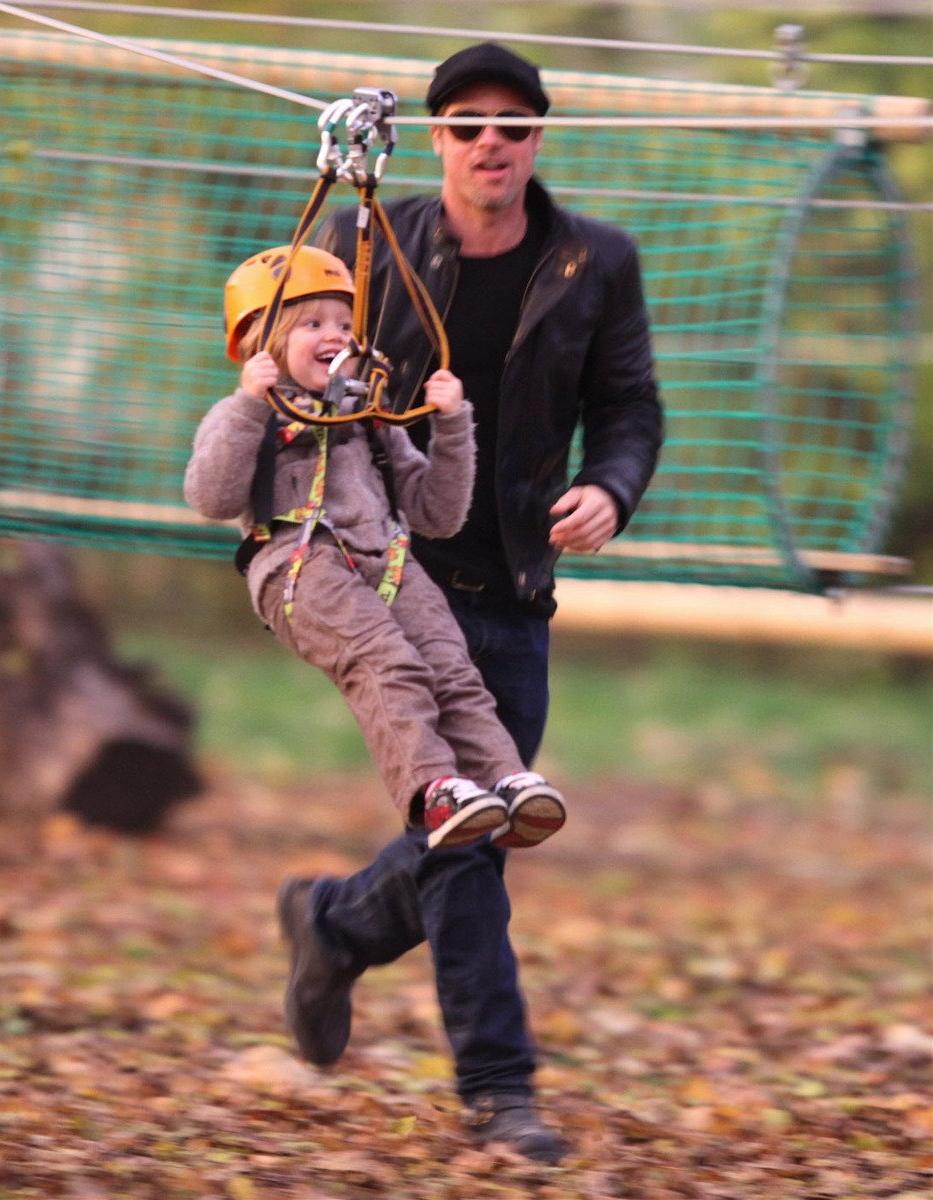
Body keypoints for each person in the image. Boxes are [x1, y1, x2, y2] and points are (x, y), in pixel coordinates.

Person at [281, 41, 664, 1164]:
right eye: (467, 124)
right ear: (435, 137)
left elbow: (632, 405)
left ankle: (335, 923)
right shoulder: (362, 236)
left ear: (539, 138)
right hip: (396, 577)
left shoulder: (596, 260)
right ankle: (501, 1094)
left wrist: (610, 485)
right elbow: (292, 352)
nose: (490, 141)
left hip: (516, 585)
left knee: (481, 827)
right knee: (465, 844)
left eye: (513, 123)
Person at [184, 243, 566, 855]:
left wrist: (451, 425)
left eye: (342, 324)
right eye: (313, 324)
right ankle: (434, 786)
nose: (335, 336)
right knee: (389, 662)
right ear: (263, 341)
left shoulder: (367, 419)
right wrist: (248, 405)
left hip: (387, 562)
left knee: (451, 665)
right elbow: (211, 496)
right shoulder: (245, 416)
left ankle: (503, 775)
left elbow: (437, 515)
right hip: (300, 568)